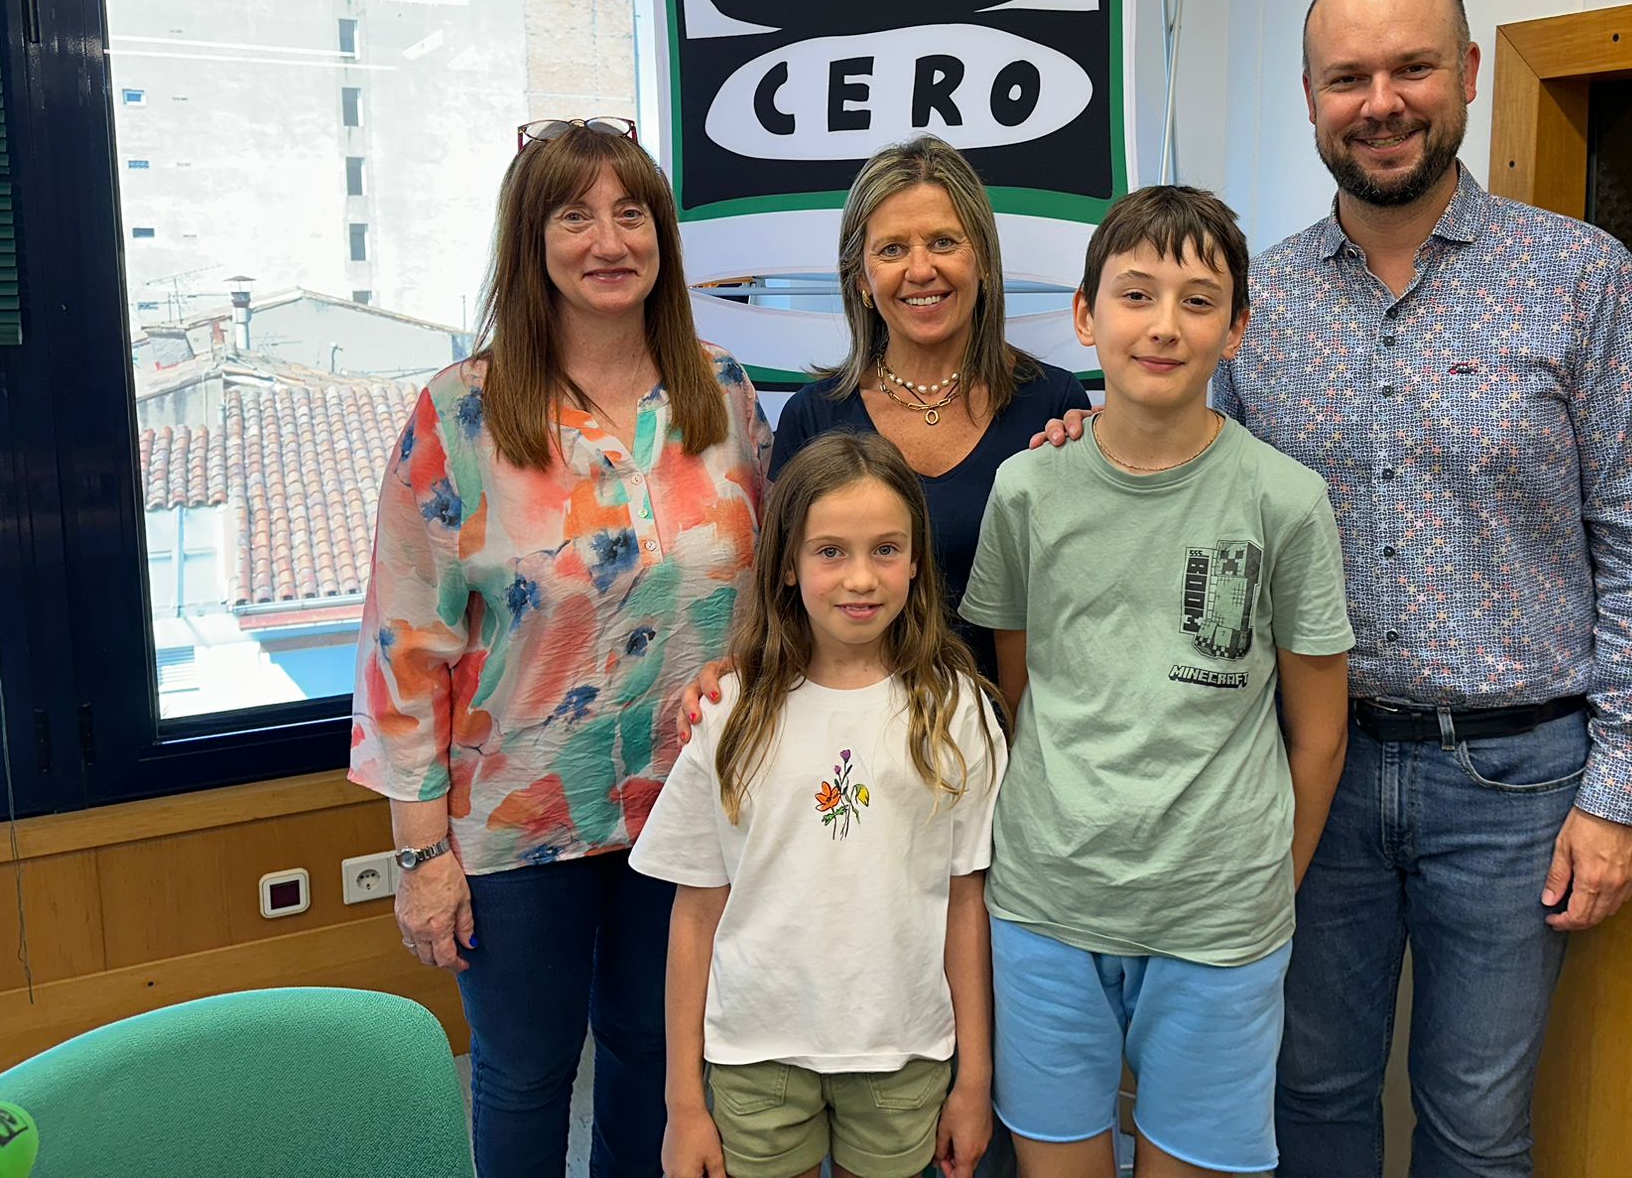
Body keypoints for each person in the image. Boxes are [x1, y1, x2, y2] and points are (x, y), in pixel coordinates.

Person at [1225, 0, 1632, 1178]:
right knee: (1310, 1091)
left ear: (1469, 75)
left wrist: (1618, 791)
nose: (1380, 100)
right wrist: (1073, 432)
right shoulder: (1252, 302)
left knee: (1476, 1124)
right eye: (1347, 77)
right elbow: (1176, 485)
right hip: (1306, 771)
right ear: (1310, 97)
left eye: (1411, 66)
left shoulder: (1579, 280)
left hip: (1514, 786)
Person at [350, 117, 771, 1178]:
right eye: (574, 215)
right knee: (526, 1073)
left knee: (650, 1052)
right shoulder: (464, 411)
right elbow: (405, 646)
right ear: (530, 241)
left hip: (686, 800)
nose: (607, 238)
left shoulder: (720, 394)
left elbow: (766, 594)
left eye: (631, 212)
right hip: (515, 817)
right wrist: (419, 855)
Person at [961, 185, 1355, 1178]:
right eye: (1135, 296)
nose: (1164, 326)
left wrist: (1266, 882)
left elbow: (1318, 734)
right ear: (1087, 316)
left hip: (1217, 918)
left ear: (1236, 329)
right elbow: (1020, 696)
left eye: (1198, 300)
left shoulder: (1284, 500)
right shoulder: (1026, 490)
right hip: (1048, 903)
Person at [633, 431, 1006, 1178]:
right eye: (830, 551)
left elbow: (967, 904)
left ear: (916, 562)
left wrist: (975, 1079)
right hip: (755, 1053)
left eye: (886, 550)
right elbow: (695, 914)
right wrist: (682, 1106)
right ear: (787, 567)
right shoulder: (731, 711)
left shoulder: (955, 710)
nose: (860, 579)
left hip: (901, 1050)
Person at [768, 136, 1092, 681]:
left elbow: (1087, 598)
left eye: (944, 242)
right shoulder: (812, 418)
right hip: (859, 749)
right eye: (892, 250)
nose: (920, 270)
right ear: (862, 281)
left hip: (1022, 731)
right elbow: (779, 610)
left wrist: (1113, 450)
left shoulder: (1055, 409)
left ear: (984, 261)